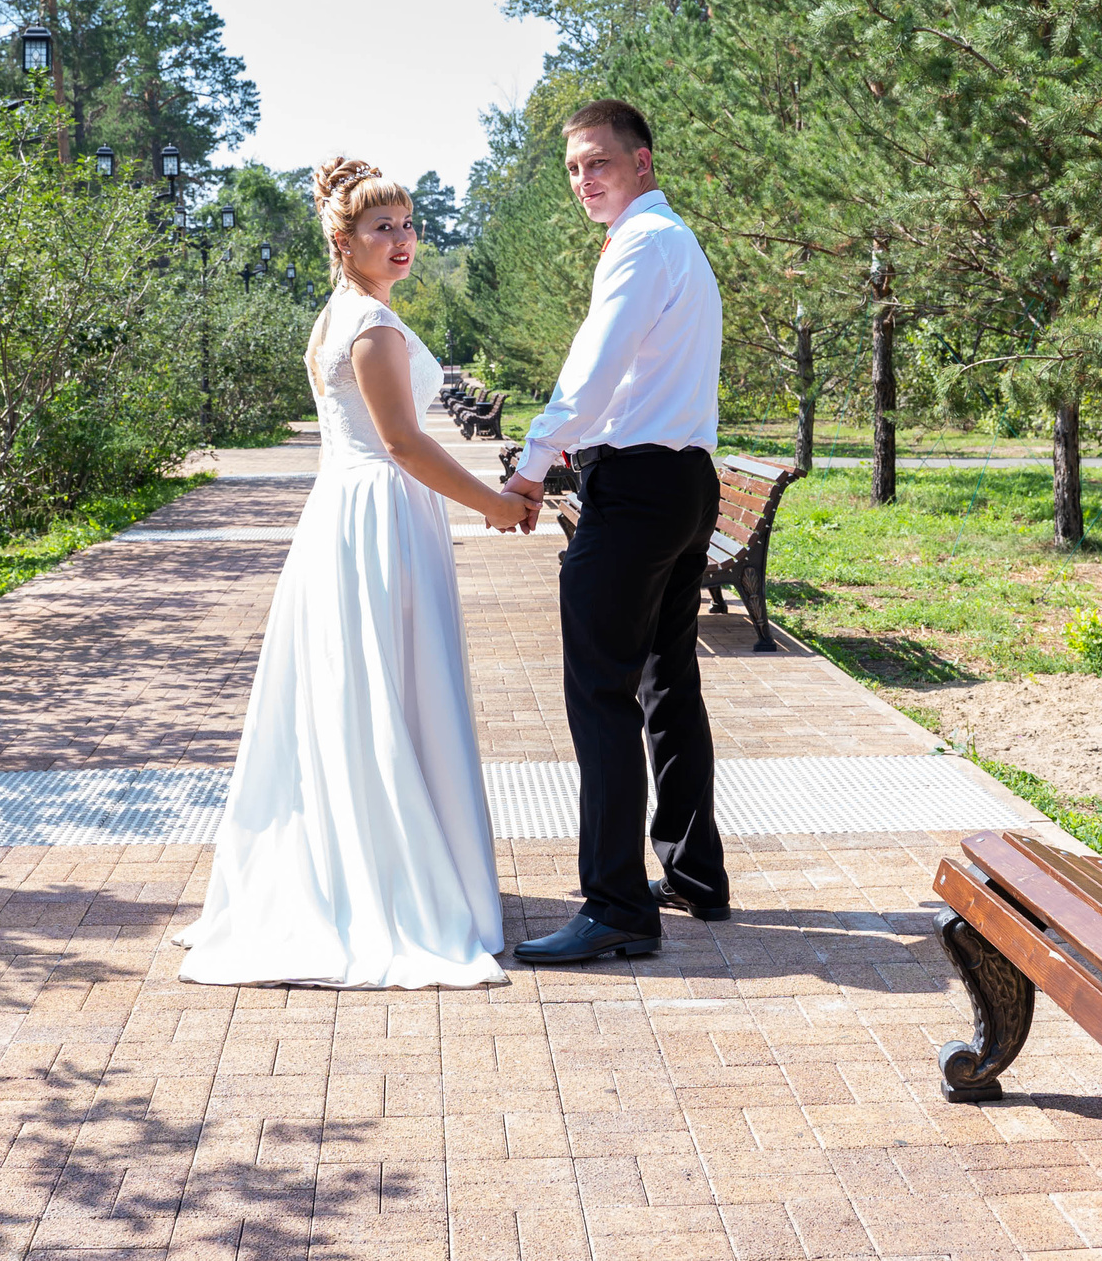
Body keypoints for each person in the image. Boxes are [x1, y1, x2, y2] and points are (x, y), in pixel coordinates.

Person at [175, 159, 536, 989]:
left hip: (351, 511)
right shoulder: (370, 324)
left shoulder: (340, 314)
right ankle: (388, 882)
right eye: (382, 228)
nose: (402, 239)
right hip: (379, 512)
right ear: (343, 240)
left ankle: (367, 862)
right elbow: (402, 442)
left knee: (364, 693)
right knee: (384, 689)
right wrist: (493, 503)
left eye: (407, 224)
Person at [501, 99, 728, 965]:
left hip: (636, 489)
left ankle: (617, 905)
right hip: (682, 483)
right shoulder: (676, 240)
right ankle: (695, 874)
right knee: (667, 683)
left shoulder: (642, 243)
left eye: (598, 161)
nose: (583, 179)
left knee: (600, 692)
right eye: (573, 168)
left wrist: (531, 465)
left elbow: (592, 370)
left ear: (642, 161)